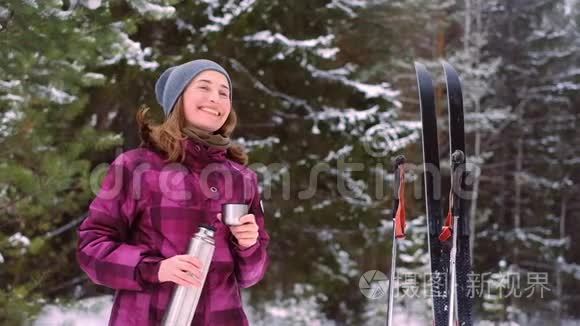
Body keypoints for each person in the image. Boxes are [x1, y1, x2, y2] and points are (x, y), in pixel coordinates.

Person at [76, 59, 270, 325]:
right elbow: (92, 249)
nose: (215, 98)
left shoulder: (241, 179)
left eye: (224, 92)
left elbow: (251, 276)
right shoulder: (136, 167)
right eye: (204, 87)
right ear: (178, 99)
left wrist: (248, 245)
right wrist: (155, 268)